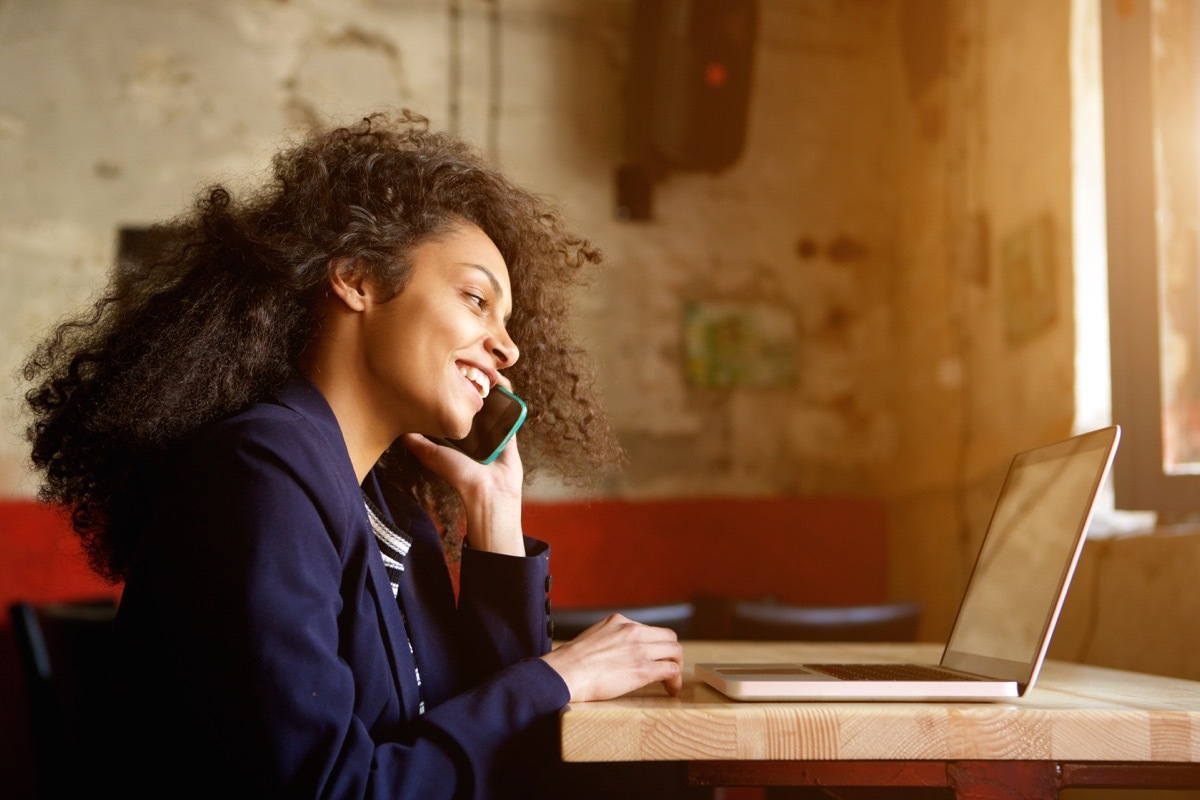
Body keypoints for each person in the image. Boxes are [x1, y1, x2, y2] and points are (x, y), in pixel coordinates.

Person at [22, 110, 683, 799]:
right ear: (357, 279)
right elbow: (335, 790)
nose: (508, 348)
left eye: (508, 323)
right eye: (476, 299)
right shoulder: (261, 469)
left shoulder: (384, 499)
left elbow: (491, 755)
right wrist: (561, 677)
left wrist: (495, 512)